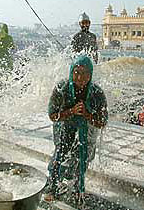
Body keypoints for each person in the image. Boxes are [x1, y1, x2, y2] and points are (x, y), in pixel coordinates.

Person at [43, 55, 108, 203]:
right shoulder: (62, 88)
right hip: (64, 125)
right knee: (61, 153)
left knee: (82, 158)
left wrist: (87, 115)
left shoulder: (97, 93)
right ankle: (52, 185)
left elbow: (102, 122)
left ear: (90, 75)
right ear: (71, 72)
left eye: (84, 73)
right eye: (76, 72)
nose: (79, 77)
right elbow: (52, 115)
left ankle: (78, 188)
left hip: (87, 130)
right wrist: (71, 112)